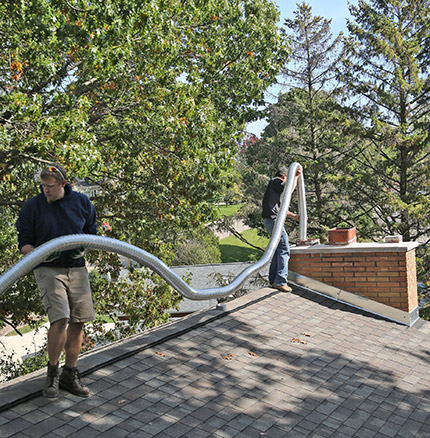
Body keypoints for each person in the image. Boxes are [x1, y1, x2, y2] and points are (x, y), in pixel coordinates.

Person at [16, 163, 97, 398]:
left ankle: (70, 375)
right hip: (48, 268)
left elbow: (91, 234)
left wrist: (83, 248)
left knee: (79, 319)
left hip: (76, 266)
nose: (45, 191)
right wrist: (38, 252)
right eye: (42, 186)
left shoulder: (82, 203)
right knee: (61, 317)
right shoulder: (32, 207)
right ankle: (52, 374)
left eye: (50, 186)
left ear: (64, 185)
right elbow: (24, 243)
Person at [262, 165, 302, 293]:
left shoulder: (274, 186)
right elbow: (289, 189)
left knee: (277, 249)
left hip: (271, 220)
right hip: (273, 221)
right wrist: (296, 176)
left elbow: (280, 208)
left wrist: (294, 216)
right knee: (284, 248)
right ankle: (280, 281)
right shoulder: (276, 181)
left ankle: (274, 280)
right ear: (285, 177)